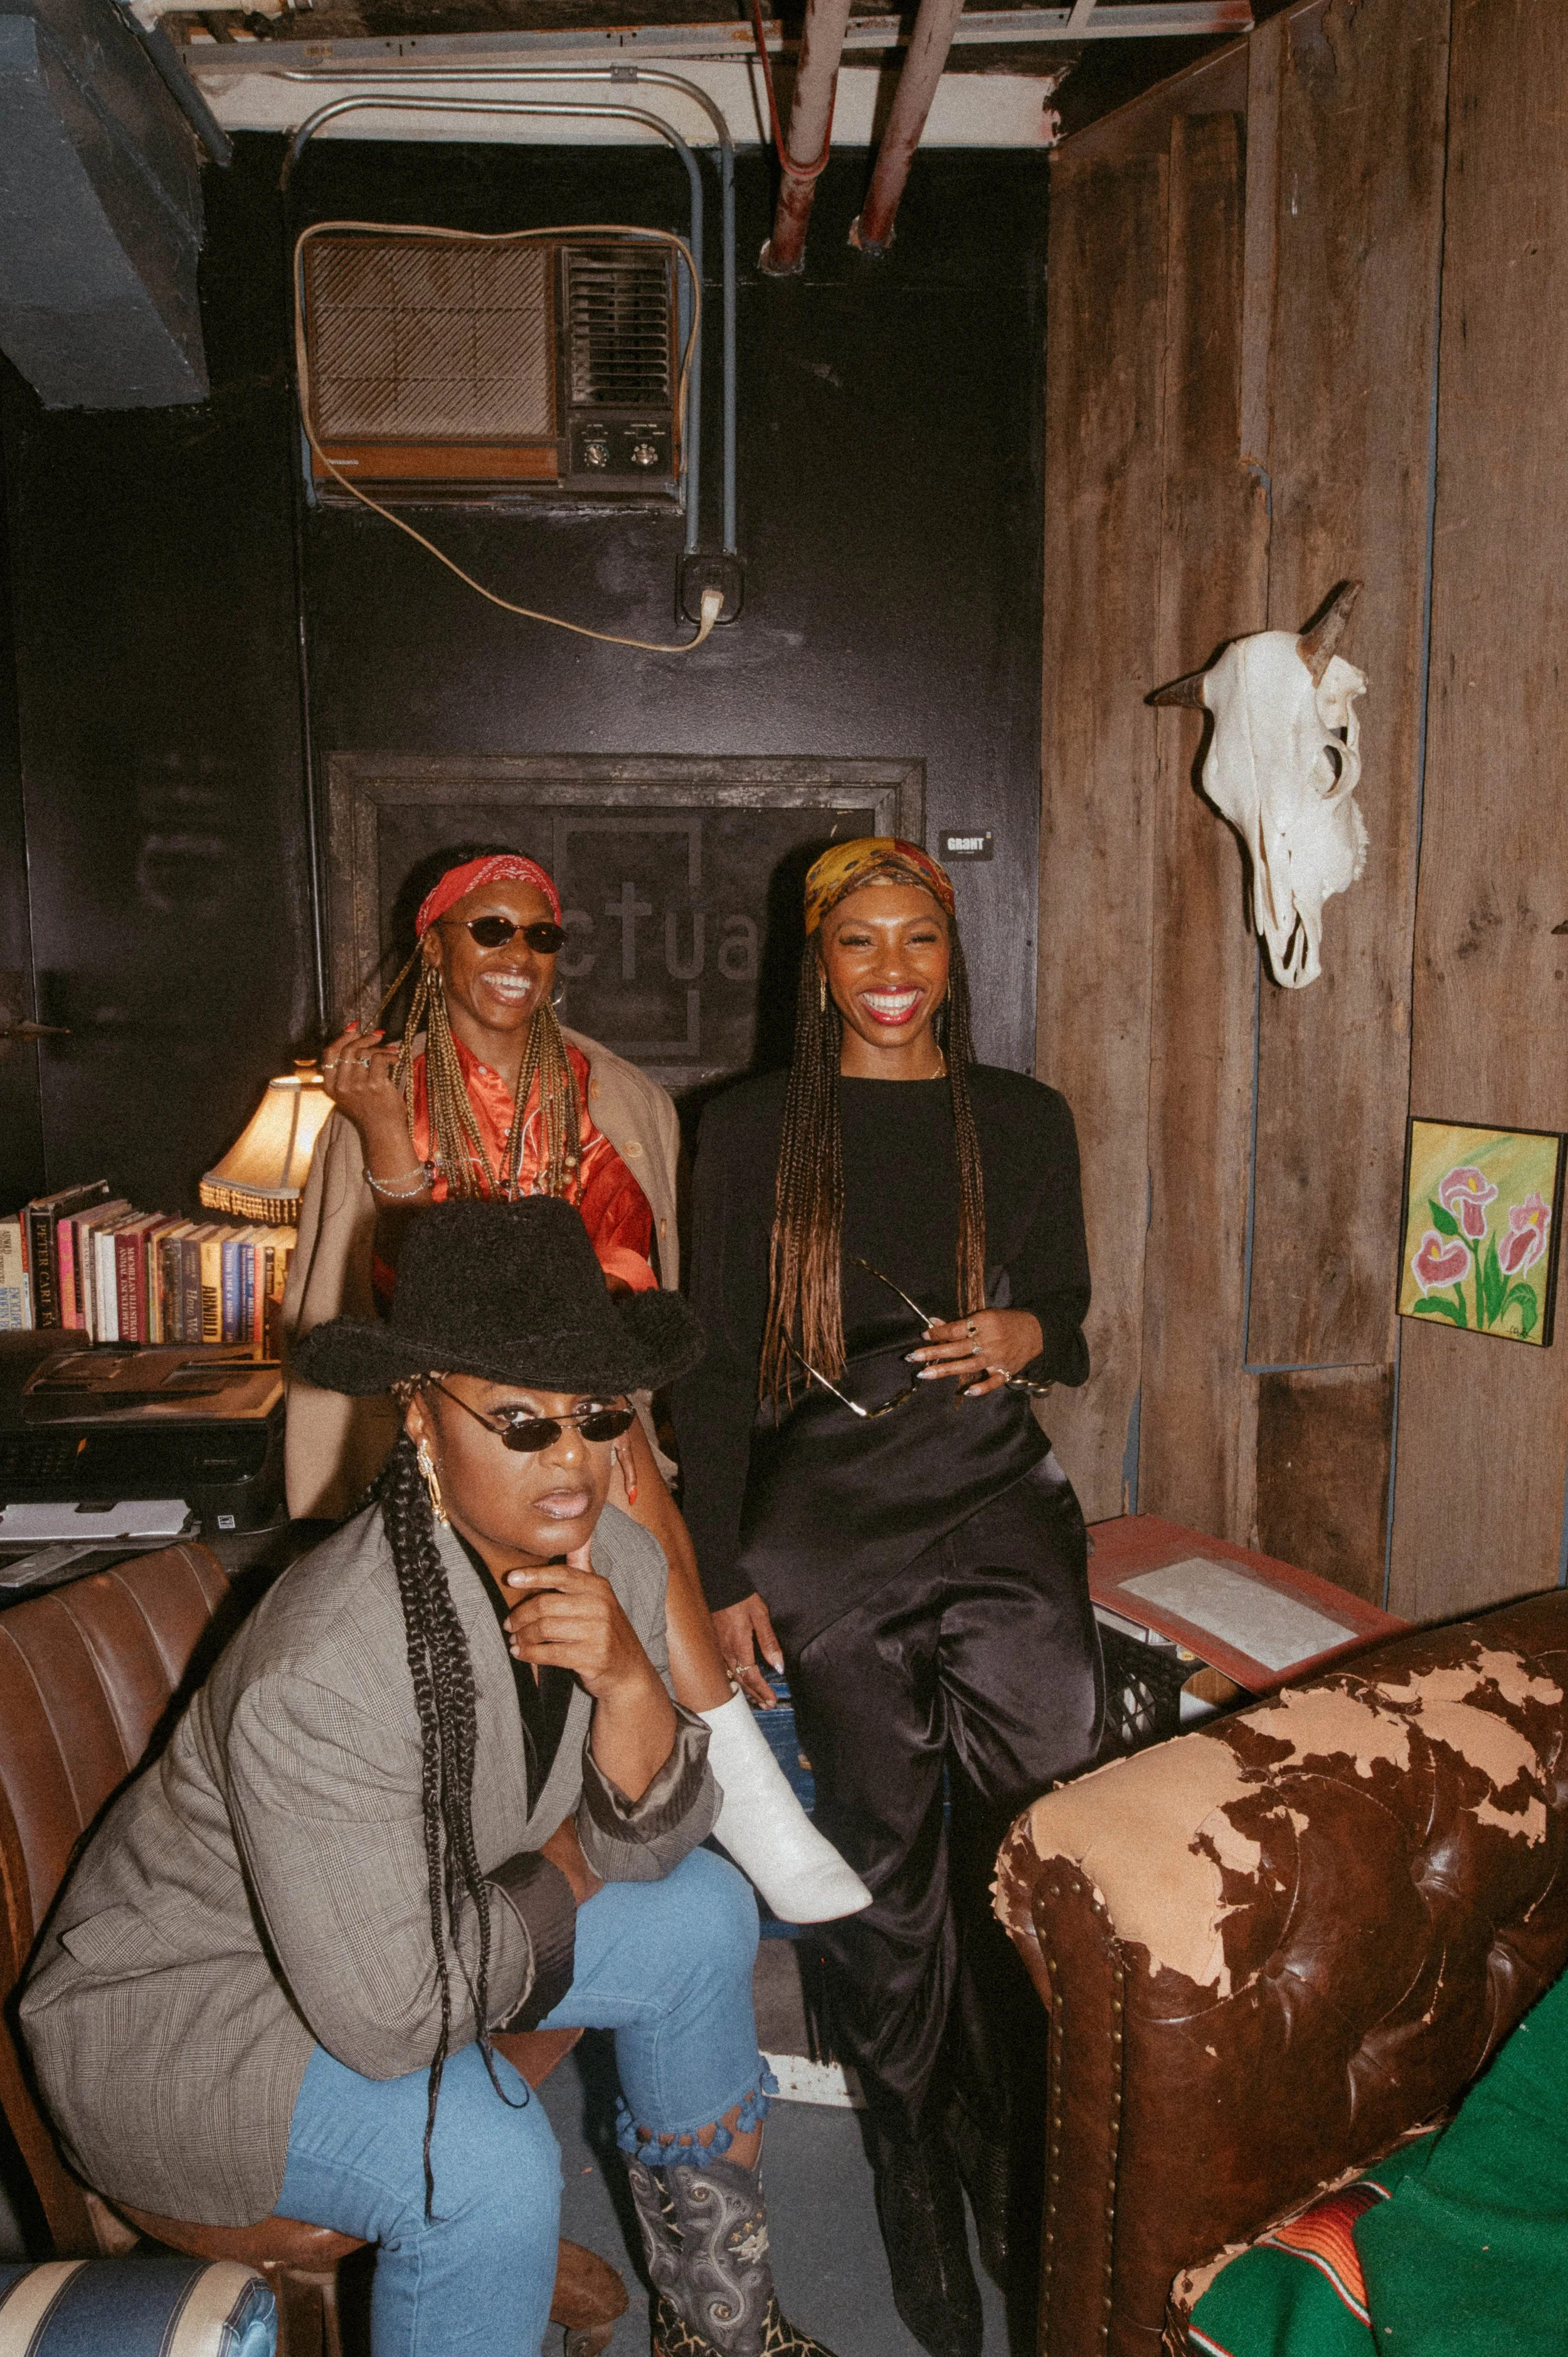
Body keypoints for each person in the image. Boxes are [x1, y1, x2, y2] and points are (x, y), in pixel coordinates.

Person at [23, 1196, 837, 2357]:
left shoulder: (616, 1555)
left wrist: (636, 1692)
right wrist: (571, 1856)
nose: (570, 1463)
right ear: (418, 1419)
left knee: (704, 1912)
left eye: (595, 1416)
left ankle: (721, 2326)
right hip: (194, 2023)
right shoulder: (324, 1669)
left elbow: (654, 1842)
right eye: (517, 1421)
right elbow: (394, 2020)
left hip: (423, 1926)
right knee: (489, 2164)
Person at [672, 838, 1103, 2357]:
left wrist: (1025, 1327)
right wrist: (717, 1573)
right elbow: (714, 1370)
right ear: (820, 966)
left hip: (994, 1498)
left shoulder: (1022, 1119)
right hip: (823, 1515)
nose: (892, 970)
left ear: (950, 956)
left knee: (1037, 1850)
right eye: (859, 942)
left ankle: (1013, 2153)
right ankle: (915, 2182)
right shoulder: (741, 1132)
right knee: (875, 1876)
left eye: (917, 938)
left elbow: (1075, 1316)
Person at [283, 848, 867, 1928]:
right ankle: (747, 1797)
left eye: (541, 936)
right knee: (607, 1459)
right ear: (437, 946)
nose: (519, 956)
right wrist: (390, 1146)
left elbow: (638, 1283)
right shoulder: (374, 1093)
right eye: (490, 930)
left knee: (614, 1449)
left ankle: (712, 1786)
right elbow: (391, 1297)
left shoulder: (615, 1094)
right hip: (433, 1416)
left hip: (593, 1412)